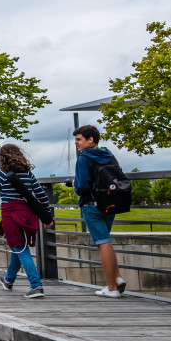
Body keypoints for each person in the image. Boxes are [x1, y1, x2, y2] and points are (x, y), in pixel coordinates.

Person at [0, 144, 52, 299]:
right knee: (18, 248)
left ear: (1, 157)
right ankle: (8, 280)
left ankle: (36, 285)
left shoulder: (0, 174)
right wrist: (47, 216)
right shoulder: (28, 173)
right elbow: (41, 195)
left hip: (10, 214)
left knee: (19, 248)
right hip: (26, 213)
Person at [73, 125, 127, 298]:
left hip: (91, 205)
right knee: (106, 243)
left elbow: (82, 186)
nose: (76, 143)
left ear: (90, 140)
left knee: (103, 243)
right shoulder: (108, 153)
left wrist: (75, 185)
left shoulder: (83, 159)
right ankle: (117, 278)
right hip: (110, 203)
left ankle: (111, 288)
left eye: (79, 139)